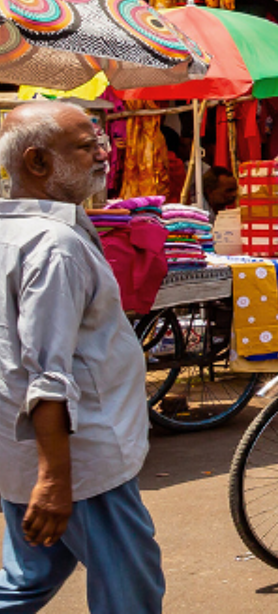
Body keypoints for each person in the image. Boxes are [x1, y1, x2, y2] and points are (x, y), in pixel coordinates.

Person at [0, 102, 165, 611]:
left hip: (23, 452)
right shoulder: (53, 246)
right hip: (81, 461)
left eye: (100, 141)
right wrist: (56, 480)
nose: (102, 154)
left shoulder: (19, 231)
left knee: (29, 575)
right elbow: (47, 372)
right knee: (131, 594)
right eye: (84, 145)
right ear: (38, 162)